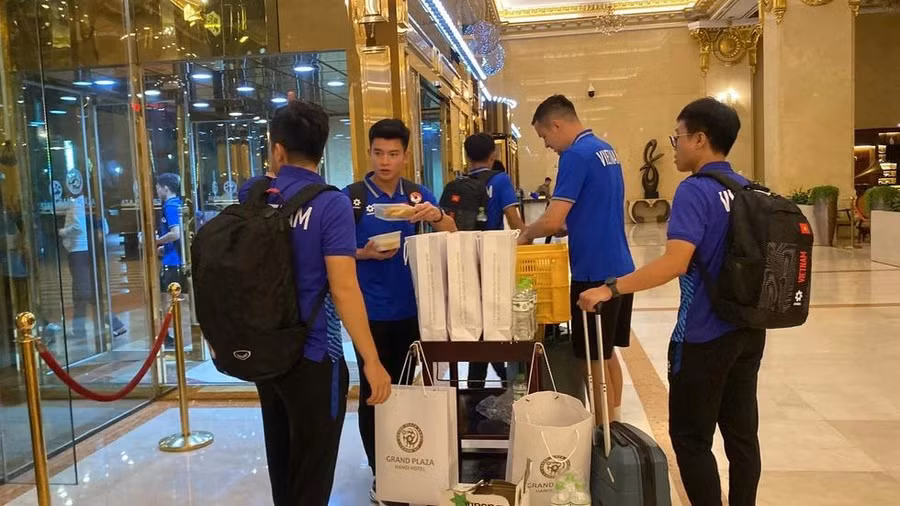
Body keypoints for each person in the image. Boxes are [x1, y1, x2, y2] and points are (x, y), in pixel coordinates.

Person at [578, 97, 764, 506]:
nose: (674, 146)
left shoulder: (695, 190)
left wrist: (610, 289)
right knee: (742, 436)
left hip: (704, 334)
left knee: (691, 439)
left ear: (700, 139)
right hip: (749, 330)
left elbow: (675, 263)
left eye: (677, 137)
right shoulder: (746, 188)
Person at [239, 100, 392, 506]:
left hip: (267, 352)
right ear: (322, 149)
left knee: (282, 460)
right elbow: (343, 289)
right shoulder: (330, 203)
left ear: (277, 149)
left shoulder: (252, 193)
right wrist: (371, 360)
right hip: (314, 354)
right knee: (313, 468)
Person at [344, 118, 456, 503]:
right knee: (375, 392)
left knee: (412, 391)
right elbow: (334, 254)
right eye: (378, 153)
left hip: (415, 310)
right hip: (369, 313)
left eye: (393, 154)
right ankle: (381, 472)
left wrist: (435, 216)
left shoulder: (417, 195)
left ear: (405, 156)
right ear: (369, 153)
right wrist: (364, 253)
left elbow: (452, 233)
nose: (385, 161)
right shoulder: (353, 198)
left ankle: (411, 462)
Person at [518, 95, 635, 424]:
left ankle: (602, 433)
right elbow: (589, 210)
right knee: (606, 353)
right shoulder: (604, 150)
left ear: (556, 125)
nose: (547, 145)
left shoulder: (575, 155)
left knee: (591, 360)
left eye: (544, 136)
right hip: (620, 267)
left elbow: (552, 220)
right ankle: (615, 423)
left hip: (593, 273)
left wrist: (526, 234)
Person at [461, 132, 525, 388]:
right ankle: (506, 379)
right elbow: (513, 218)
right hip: (493, 260)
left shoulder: (460, 183)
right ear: (493, 154)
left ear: (467, 157)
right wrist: (528, 238)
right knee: (495, 321)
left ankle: (475, 383)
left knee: (478, 323)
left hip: (465, 262)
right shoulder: (500, 180)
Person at [155, 173, 184, 347]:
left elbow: (175, 233)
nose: (157, 191)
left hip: (172, 261)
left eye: (158, 187)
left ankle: (166, 335)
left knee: (166, 299)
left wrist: (156, 241)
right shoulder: (179, 204)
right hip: (175, 256)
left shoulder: (170, 206)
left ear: (166, 188)